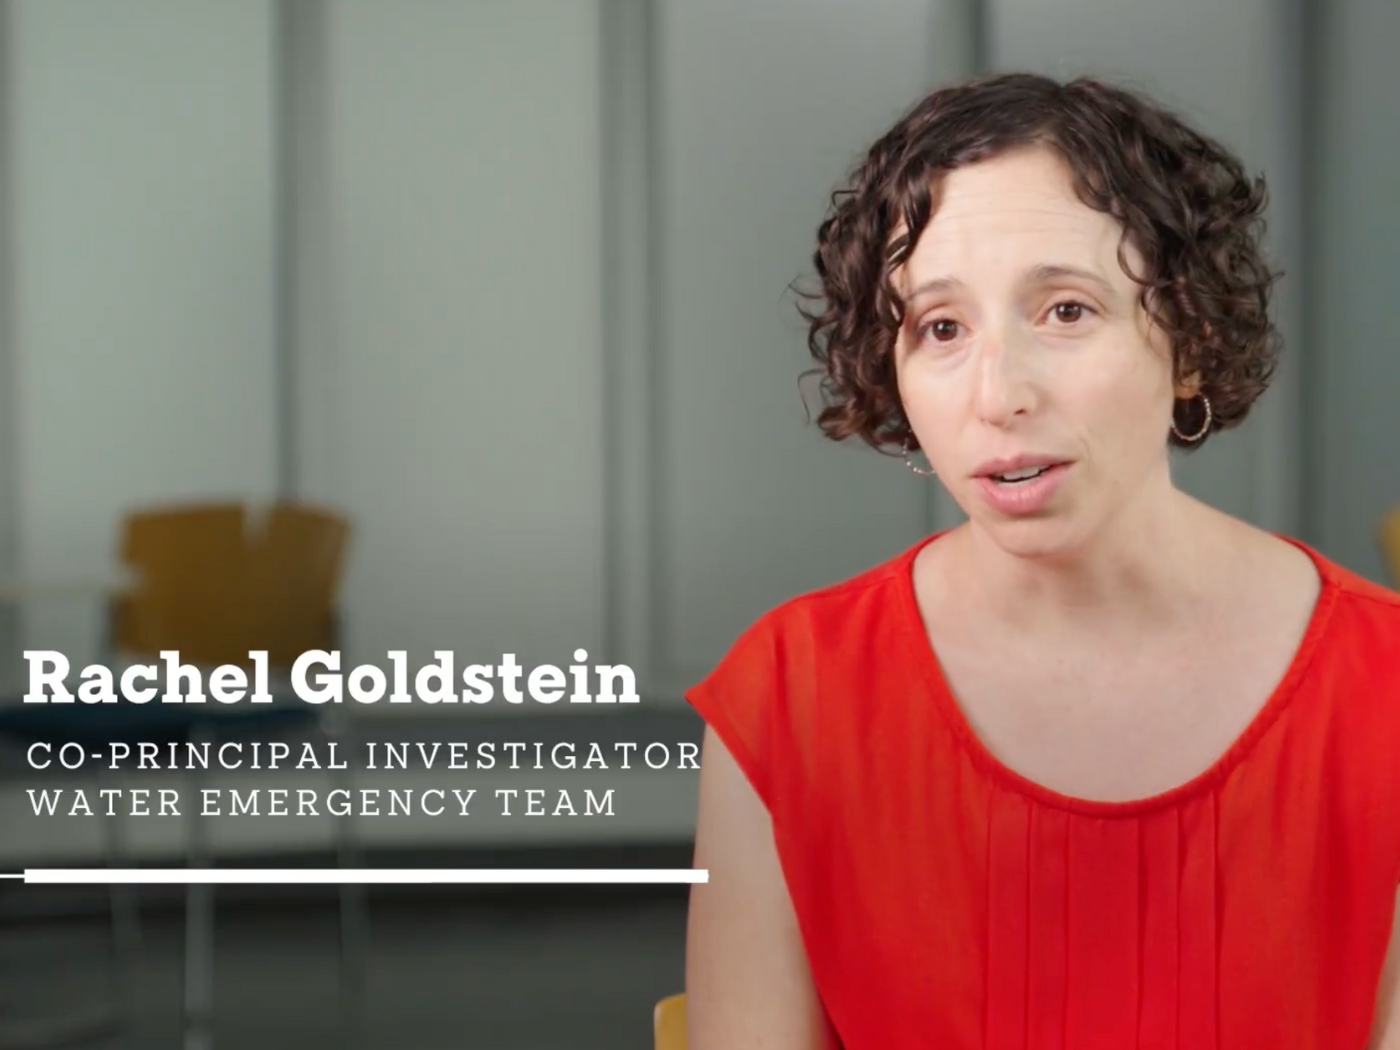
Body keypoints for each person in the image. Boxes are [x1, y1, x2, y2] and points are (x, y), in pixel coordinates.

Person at [682, 72, 1400, 1049]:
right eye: (939, 328)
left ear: (1187, 338)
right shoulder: (784, 694)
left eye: (1064, 310)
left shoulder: (1381, 690)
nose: (999, 394)